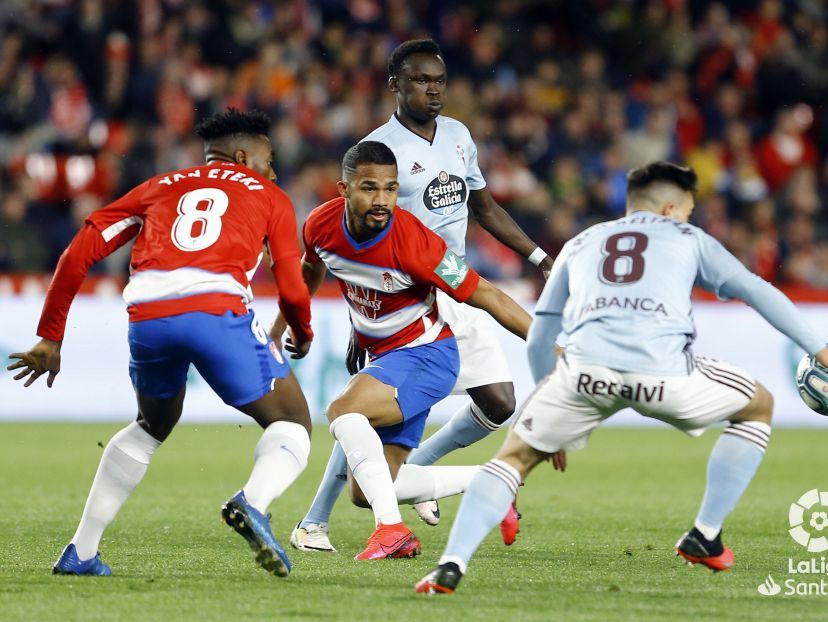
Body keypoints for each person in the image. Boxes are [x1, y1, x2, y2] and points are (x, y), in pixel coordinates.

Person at [415, 161, 828, 594]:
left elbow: (541, 338)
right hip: (663, 376)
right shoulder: (689, 238)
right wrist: (820, 351)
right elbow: (758, 291)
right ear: (669, 209)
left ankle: (450, 565)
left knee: (510, 461)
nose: (688, 219)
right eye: (687, 210)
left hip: (583, 375)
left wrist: (549, 409)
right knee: (758, 405)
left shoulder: (582, 242)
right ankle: (705, 534)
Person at [6, 108, 315, 578]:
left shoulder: (159, 186)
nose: (273, 172)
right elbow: (292, 288)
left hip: (148, 317)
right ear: (242, 158)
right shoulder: (269, 195)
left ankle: (81, 552)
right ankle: (252, 502)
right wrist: (302, 332)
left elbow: (80, 250)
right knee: (293, 421)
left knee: (152, 424)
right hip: (216, 311)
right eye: (268, 161)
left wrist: (51, 336)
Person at [291, 38, 552, 553]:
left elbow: (485, 209)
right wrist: (363, 322)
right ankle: (317, 519)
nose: (433, 90)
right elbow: (357, 248)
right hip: (408, 294)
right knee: (361, 411)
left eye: (439, 81)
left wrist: (540, 256)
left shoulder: (458, 136)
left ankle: (419, 477)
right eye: (420, 80)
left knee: (498, 403)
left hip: (456, 281)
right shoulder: (378, 152)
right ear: (395, 85)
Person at [277, 141, 531, 560]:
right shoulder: (320, 224)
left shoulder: (415, 242)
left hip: (427, 356)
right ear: (344, 189)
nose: (382, 200)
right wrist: (292, 325)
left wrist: (551, 346)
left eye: (391, 189)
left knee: (344, 411)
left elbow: (489, 295)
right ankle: (493, 480)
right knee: (368, 490)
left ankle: (390, 531)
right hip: (387, 357)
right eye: (370, 188)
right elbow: (310, 269)